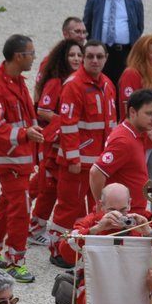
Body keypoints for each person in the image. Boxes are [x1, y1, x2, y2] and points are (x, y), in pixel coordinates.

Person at [0, 33, 42, 283]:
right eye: (31, 54)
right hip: (10, 161)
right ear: (18, 56)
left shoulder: (17, 81)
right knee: (20, 209)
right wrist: (26, 134)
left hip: (21, 158)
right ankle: (16, 260)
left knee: (7, 204)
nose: (33, 58)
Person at [55, 40, 117, 242]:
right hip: (78, 163)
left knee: (97, 207)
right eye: (89, 56)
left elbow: (112, 124)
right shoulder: (73, 85)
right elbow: (67, 125)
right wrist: (73, 159)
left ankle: (87, 244)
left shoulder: (107, 83)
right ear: (83, 58)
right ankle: (58, 248)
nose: (95, 60)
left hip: (99, 163)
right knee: (69, 207)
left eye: (99, 56)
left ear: (106, 58)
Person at [30, 39, 83, 247]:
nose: (77, 59)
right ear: (64, 57)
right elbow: (43, 109)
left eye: (79, 55)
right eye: (72, 55)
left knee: (53, 188)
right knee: (50, 187)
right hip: (54, 144)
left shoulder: (78, 80)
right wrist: (63, 121)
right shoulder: (56, 81)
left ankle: (44, 228)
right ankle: (39, 229)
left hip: (67, 142)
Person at [117, 34, 152, 227]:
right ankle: (133, 227)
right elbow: (129, 111)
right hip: (140, 140)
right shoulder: (132, 74)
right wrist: (149, 132)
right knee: (137, 188)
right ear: (144, 54)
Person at [92, 88, 152, 217]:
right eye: (149, 113)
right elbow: (96, 172)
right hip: (123, 216)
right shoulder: (124, 141)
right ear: (132, 112)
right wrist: (100, 205)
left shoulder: (135, 133)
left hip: (130, 211)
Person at [83, 0, 144, 89]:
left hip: (125, 53)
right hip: (101, 52)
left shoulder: (134, 1)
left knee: (125, 86)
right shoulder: (94, 0)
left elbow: (139, 27)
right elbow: (87, 25)